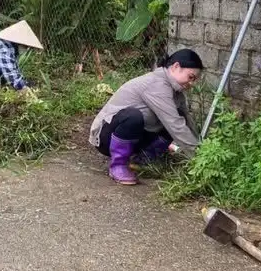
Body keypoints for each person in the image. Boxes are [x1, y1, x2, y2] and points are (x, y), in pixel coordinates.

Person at [88, 50, 205, 186]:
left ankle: (142, 160)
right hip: (105, 138)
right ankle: (118, 165)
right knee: (133, 116)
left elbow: (186, 122)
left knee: (176, 116)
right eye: (191, 77)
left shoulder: (176, 92)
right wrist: (199, 159)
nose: (192, 83)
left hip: (135, 136)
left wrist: (202, 149)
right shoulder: (156, 84)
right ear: (176, 67)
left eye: (195, 80)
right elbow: (175, 125)